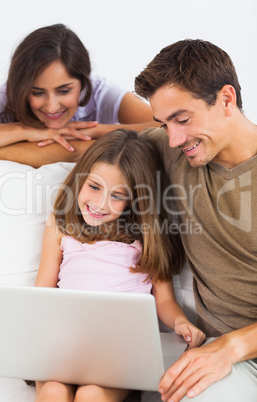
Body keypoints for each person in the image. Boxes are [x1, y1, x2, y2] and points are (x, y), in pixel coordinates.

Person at [34, 129, 205, 402]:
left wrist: (181, 322)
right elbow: (42, 290)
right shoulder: (60, 225)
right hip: (64, 344)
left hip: (118, 350)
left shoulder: (145, 237)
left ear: (134, 200)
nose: (100, 204)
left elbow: (164, 303)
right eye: (94, 186)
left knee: (91, 395)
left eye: (117, 195)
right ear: (79, 180)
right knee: (54, 391)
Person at [134, 39, 257, 401]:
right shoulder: (175, 150)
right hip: (230, 361)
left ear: (226, 99)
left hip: (232, 351)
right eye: (163, 123)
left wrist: (231, 348)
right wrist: (26, 132)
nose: (172, 138)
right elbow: (72, 144)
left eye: (182, 119)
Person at [0, 24, 158, 166]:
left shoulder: (101, 92)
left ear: (84, 83)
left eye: (64, 91)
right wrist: (25, 130)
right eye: (37, 93)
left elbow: (165, 127)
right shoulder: (3, 97)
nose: (52, 106)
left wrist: (96, 131)